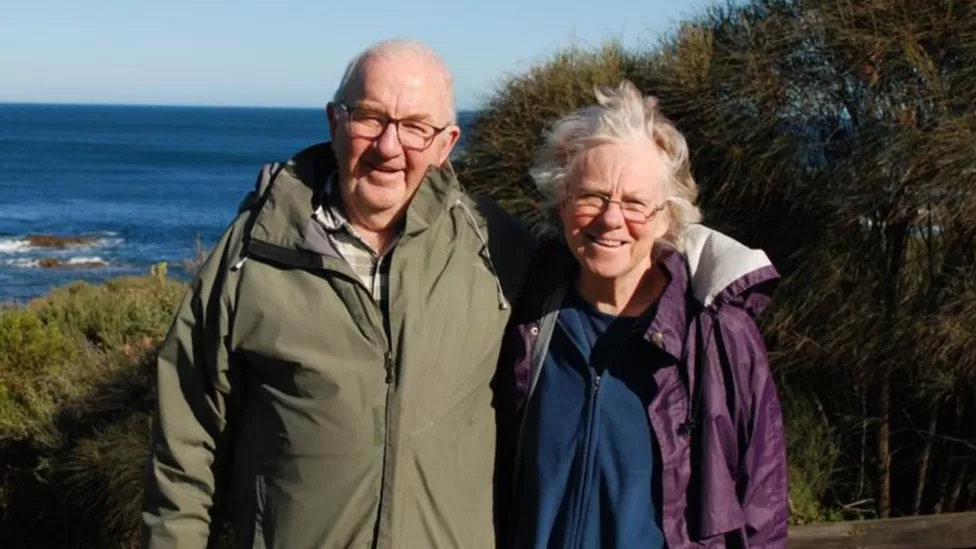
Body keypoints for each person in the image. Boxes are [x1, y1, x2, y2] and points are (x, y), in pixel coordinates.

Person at [141, 39, 533, 549]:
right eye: (369, 117)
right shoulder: (255, 251)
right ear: (334, 121)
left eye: (416, 127)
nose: (388, 146)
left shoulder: (497, 250)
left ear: (446, 144)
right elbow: (186, 446)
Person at [497, 80, 788, 548]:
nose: (611, 218)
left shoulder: (715, 336)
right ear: (562, 202)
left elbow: (761, 509)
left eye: (635, 203)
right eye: (592, 196)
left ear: (667, 217)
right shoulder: (526, 314)